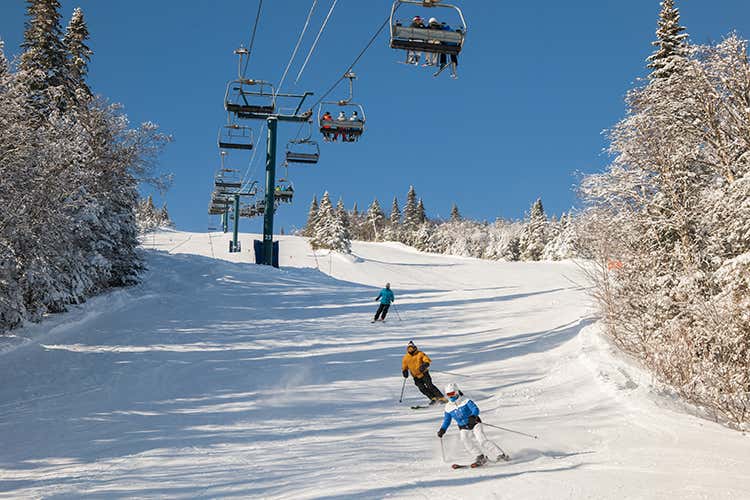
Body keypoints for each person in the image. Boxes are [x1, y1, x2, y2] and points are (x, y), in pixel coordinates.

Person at [437, 383, 509, 466]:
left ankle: (501, 455)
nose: (450, 396)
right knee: (465, 440)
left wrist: (473, 416)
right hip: (463, 427)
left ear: (456, 392)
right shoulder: (448, 407)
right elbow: (447, 420)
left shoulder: (466, 400)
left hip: (475, 423)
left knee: (482, 440)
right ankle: (480, 457)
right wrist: (443, 429)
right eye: (448, 394)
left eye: (452, 393)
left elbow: (475, 409)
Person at [402, 341, 446, 405]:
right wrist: (404, 371)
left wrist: (425, 365)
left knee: (429, 385)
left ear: (414, 348)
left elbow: (427, 360)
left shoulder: (420, 354)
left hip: (424, 373)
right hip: (416, 376)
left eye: (411, 348)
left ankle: (441, 398)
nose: (410, 350)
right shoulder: (406, 357)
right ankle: (433, 398)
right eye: (409, 349)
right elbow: (404, 366)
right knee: (422, 388)